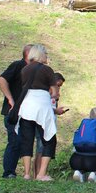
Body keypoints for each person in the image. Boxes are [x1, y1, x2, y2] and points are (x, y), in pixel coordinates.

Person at [16, 44, 64, 181]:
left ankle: (26, 173)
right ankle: (41, 173)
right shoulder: (47, 70)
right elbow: (54, 92)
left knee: (27, 140)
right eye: (46, 54)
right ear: (41, 54)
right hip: (42, 107)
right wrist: (53, 95)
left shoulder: (24, 70)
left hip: (26, 107)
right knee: (49, 139)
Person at [0, 44, 32, 179]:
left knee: (22, 141)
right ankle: (8, 172)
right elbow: (1, 79)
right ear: (28, 54)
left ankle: (17, 172)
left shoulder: (33, 70)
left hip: (26, 113)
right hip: (12, 112)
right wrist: (10, 99)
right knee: (15, 140)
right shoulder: (18, 65)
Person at [34, 72, 65, 177]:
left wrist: (56, 110)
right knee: (41, 147)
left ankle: (42, 172)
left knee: (45, 147)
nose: (59, 88)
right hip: (42, 123)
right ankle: (38, 173)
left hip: (49, 122)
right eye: (58, 85)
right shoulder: (45, 92)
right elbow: (43, 107)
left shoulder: (55, 95)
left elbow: (51, 107)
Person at [71, 107, 96, 183]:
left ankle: (78, 172)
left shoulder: (85, 123)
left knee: (83, 159)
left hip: (75, 160)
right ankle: (93, 174)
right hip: (95, 162)